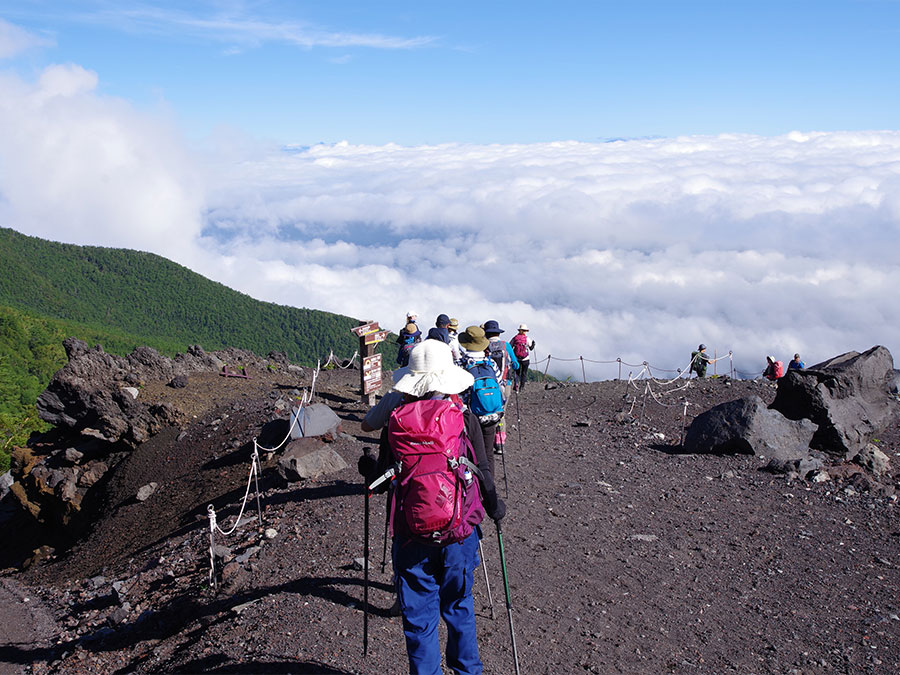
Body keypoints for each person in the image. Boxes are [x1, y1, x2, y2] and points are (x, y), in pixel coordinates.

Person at [357, 340, 505, 675]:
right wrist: (496, 507)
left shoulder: (396, 418)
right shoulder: (463, 416)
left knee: (419, 620)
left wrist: (368, 469)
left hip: (411, 536)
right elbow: (483, 471)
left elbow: (380, 481)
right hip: (459, 534)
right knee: (459, 609)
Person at [458, 325, 504, 477]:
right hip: (491, 414)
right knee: (488, 452)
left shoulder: (462, 365)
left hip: (470, 416)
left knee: (470, 451)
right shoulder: (491, 364)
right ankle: (489, 484)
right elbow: (500, 386)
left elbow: (458, 390)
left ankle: (473, 487)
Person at [509, 324, 536, 391]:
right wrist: (533, 344)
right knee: (524, 373)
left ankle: (516, 385)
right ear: (525, 331)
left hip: (517, 358)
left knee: (517, 372)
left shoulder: (515, 338)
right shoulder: (527, 339)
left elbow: (510, 346)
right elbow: (531, 348)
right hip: (525, 359)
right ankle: (522, 387)